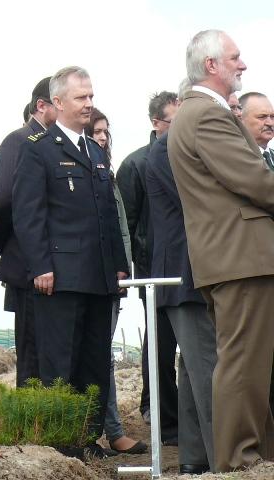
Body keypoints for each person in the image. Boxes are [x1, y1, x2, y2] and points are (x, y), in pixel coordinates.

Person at [168, 29, 274, 472]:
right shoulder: (206, 115)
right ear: (211, 64)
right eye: (235, 57)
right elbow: (253, 179)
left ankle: (256, 459)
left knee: (251, 363)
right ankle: (239, 461)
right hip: (240, 258)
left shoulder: (198, 113)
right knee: (244, 363)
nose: (242, 64)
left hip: (235, 258)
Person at [13, 66, 128, 458]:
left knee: (94, 362)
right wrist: (41, 266)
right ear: (58, 102)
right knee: (60, 364)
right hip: (60, 277)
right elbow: (29, 215)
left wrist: (119, 265)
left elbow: (108, 215)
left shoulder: (95, 151)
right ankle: (61, 445)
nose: (88, 103)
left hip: (98, 276)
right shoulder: (38, 149)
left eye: (91, 96)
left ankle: (87, 438)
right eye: (81, 97)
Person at [146, 79, 216, 475]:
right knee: (205, 368)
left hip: (190, 271)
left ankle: (195, 457)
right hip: (184, 273)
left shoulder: (174, 145)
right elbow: (201, 199)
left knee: (193, 368)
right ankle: (222, 456)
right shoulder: (167, 149)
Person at [116, 91, 179, 443]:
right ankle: (156, 410)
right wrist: (136, 270)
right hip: (152, 270)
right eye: (174, 121)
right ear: (157, 123)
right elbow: (127, 224)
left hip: (184, 267)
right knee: (159, 344)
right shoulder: (135, 164)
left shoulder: (186, 158)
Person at [85, 108, 147, 455]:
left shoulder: (106, 174)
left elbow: (121, 226)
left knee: (103, 355)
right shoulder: (88, 174)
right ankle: (107, 431)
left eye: (105, 131)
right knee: (99, 356)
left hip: (112, 276)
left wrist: (122, 267)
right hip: (93, 275)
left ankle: (111, 430)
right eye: (96, 131)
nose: (103, 137)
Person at [0, 76, 57, 388]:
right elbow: (3, 201)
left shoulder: (56, 143)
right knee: (32, 355)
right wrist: (8, 245)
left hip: (50, 262)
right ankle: (31, 419)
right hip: (28, 264)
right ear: (41, 106)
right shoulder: (19, 141)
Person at [239, 92, 274, 169]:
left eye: (272, 117)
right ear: (241, 120)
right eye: (262, 117)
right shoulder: (236, 157)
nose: (270, 123)